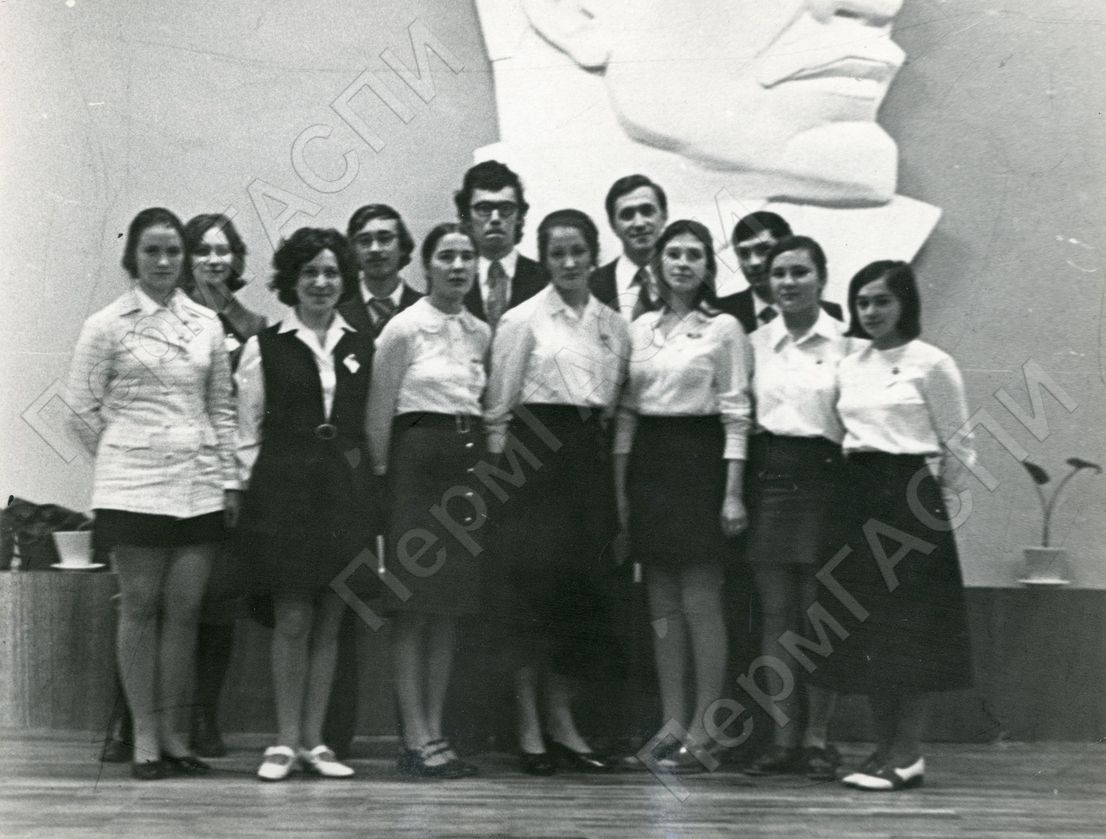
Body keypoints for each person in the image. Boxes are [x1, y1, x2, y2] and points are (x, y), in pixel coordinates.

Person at [67, 207, 238, 780]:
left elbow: (221, 408)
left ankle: (173, 735)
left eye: (173, 251)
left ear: (185, 258)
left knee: (185, 613)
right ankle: (143, 734)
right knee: (140, 609)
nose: (163, 262)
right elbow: (81, 410)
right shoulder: (106, 325)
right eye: (152, 251)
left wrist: (226, 479)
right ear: (132, 258)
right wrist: (124, 455)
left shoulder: (206, 323)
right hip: (132, 488)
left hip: (198, 485)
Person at [813, 260, 974, 791]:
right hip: (855, 496)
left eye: (882, 300)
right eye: (862, 302)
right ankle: (883, 750)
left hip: (909, 501)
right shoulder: (849, 364)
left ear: (905, 303)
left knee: (911, 631)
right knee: (869, 630)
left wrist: (929, 514)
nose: (871, 311)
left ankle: (907, 754)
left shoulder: (933, 364)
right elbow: (839, 430)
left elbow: (960, 447)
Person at [484, 208, 631, 776]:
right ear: (544, 260)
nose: (569, 263)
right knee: (531, 600)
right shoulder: (521, 320)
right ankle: (529, 729)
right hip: (530, 467)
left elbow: (611, 404)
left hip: (585, 464)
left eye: (578, 251)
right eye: (557, 253)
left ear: (594, 255)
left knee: (579, 600)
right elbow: (498, 411)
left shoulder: (612, 324)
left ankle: (563, 722)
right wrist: (502, 488)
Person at [235, 227, 377, 782]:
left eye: (331, 272)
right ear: (291, 281)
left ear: (345, 280)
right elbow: (247, 430)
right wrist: (247, 494)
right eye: (310, 272)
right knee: (293, 617)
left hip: (343, 494)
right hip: (283, 493)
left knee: (330, 619)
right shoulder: (265, 346)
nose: (321, 282)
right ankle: (284, 741)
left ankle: (316, 743)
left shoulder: (361, 345)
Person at [613, 219, 751, 771]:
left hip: (701, 464)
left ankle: (706, 730)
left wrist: (733, 494)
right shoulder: (640, 329)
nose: (684, 263)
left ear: (708, 268)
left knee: (700, 600)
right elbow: (627, 412)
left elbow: (736, 413)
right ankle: (671, 726)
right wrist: (622, 490)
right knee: (662, 605)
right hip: (651, 465)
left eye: (695, 254)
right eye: (674, 254)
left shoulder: (724, 329)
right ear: (657, 265)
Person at [365, 223, 491, 779]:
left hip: (466, 468)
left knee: (448, 610)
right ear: (427, 265)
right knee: (413, 609)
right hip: (415, 468)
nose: (458, 266)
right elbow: (377, 417)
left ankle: (436, 730)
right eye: (447, 257)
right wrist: (384, 487)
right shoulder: (403, 328)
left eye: (466, 257)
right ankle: (413, 736)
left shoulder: (481, 332)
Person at [742, 235, 859, 780]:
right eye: (779, 273)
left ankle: (817, 738)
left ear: (822, 278)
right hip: (769, 479)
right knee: (776, 616)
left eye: (799, 272)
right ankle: (782, 738)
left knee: (820, 614)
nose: (788, 282)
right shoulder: (754, 342)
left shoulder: (848, 344)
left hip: (828, 479)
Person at [716, 212, 843, 334]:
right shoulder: (720, 313)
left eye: (764, 249)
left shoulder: (827, 312)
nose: (753, 262)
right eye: (744, 253)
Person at [454, 160, 546, 326]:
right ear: (466, 216)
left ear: (519, 216)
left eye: (506, 208)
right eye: (484, 208)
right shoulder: (452, 278)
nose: (495, 218)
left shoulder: (545, 278)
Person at [589, 174, 667, 323]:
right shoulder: (590, 287)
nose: (639, 223)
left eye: (647, 211)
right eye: (627, 215)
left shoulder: (689, 278)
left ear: (664, 215)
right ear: (613, 225)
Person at [340, 203, 423, 339]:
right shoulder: (336, 311)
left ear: (402, 246)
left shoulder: (425, 307)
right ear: (353, 250)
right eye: (365, 241)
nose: (375, 249)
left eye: (384, 239)